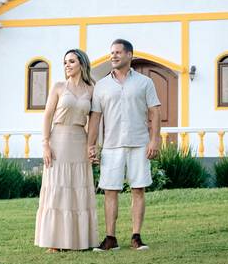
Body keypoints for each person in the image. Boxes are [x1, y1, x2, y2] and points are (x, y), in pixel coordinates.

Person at [88, 39, 162, 251]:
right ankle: (110, 238)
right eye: (112, 52)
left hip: (139, 143)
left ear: (130, 55)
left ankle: (136, 237)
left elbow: (155, 112)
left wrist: (155, 140)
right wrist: (90, 145)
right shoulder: (101, 86)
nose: (114, 56)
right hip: (111, 146)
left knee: (138, 189)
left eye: (119, 52)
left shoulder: (145, 83)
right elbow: (95, 118)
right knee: (110, 191)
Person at [35, 49, 99, 251]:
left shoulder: (91, 89)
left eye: (71, 61)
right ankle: (54, 242)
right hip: (59, 140)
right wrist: (45, 144)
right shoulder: (59, 87)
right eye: (65, 62)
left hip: (79, 139)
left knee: (78, 186)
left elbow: (94, 121)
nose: (67, 65)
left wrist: (92, 146)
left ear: (81, 63)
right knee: (58, 187)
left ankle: (79, 241)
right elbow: (47, 116)